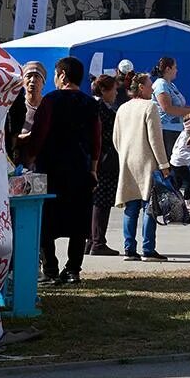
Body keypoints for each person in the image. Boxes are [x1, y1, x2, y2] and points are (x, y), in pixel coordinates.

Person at [18, 57, 101, 285]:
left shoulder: (51, 101)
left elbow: (40, 134)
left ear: (62, 75)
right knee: (79, 221)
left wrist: (31, 158)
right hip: (81, 168)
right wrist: (93, 168)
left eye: (56, 74)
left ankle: (51, 269)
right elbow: (96, 140)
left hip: (51, 168)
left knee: (46, 219)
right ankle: (73, 270)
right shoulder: (90, 103)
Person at [113, 73, 171, 261]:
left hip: (127, 161)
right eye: (149, 85)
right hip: (148, 163)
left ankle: (129, 249)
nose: (152, 88)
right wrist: (164, 164)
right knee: (149, 207)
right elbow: (156, 139)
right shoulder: (150, 107)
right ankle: (148, 249)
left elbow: (116, 137)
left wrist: (124, 154)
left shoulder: (122, 108)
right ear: (141, 88)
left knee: (130, 207)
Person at [88, 73, 122, 256]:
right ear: (103, 90)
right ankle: (98, 241)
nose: (116, 93)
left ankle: (90, 239)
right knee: (102, 201)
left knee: (93, 201)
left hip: (97, 159)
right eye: (114, 89)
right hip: (104, 160)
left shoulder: (93, 106)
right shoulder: (101, 109)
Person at [150, 55, 190, 198]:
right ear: (168, 69)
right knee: (170, 166)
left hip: (176, 130)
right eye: (175, 67)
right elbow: (168, 108)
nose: (177, 70)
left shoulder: (171, 85)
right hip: (165, 130)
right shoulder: (160, 84)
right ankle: (165, 198)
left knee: (176, 166)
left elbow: (180, 106)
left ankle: (174, 197)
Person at [4, 60, 46, 169]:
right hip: (20, 165)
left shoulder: (48, 106)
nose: (32, 80)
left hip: (45, 165)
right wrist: (26, 137)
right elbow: (8, 138)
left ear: (43, 82)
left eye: (37, 76)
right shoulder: (15, 107)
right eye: (29, 76)